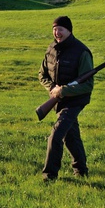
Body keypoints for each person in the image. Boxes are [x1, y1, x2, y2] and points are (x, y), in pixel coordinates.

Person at [39, 16, 93, 181]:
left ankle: (49, 175)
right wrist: (53, 89)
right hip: (59, 99)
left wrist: (64, 90)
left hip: (75, 100)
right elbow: (42, 74)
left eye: (60, 29)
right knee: (70, 136)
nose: (57, 33)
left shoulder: (81, 52)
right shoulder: (51, 49)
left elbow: (87, 85)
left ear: (69, 30)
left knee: (55, 136)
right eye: (54, 29)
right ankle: (81, 171)